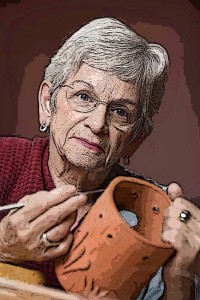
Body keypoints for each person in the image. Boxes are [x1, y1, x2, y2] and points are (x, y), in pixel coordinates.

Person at [0, 17, 199, 299]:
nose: (97, 123)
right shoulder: (3, 161)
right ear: (48, 103)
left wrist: (179, 279)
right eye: (84, 96)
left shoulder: (153, 215)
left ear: (136, 139)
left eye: (120, 112)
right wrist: (3, 247)